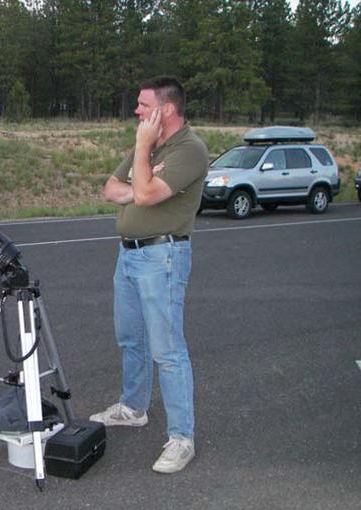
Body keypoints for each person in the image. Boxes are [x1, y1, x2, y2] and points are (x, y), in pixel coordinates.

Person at [90, 76, 208, 473]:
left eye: (143, 105)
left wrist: (141, 156)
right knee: (131, 338)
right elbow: (111, 190)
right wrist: (140, 177)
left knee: (168, 350)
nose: (137, 112)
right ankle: (134, 407)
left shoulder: (189, 149)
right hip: (128, 256)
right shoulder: (150, 146)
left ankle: (181, 438)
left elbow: (147, 195)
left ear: (166, 109)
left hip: (164, 256)